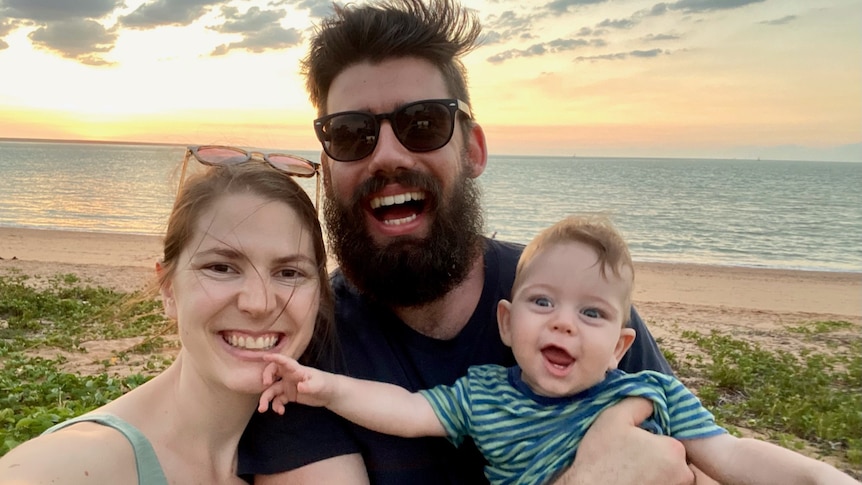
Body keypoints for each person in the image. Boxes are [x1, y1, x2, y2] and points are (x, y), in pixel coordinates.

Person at [238, 1, 696, 483]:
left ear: (473, 150)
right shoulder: (308, 350)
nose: (387, 156)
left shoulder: (572, 299)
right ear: (328, 170)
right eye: (352, 134)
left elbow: (699, 461)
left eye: (423, 124)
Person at [256, 215, 860, 485]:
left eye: (591, 313)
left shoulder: (647, 392)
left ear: (623, 345)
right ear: (506, 322)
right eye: (543, 304)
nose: (564, 325)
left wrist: (819, 480)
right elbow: (408, 411)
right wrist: (328, 388)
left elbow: (730, 456)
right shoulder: (484, 396)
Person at [0, 153, 334, 484]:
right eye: (221, 268)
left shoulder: (312, 449)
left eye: (289, 272)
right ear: (168, 289)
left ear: (319, 293)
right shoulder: (82, 463)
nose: (258, 303)